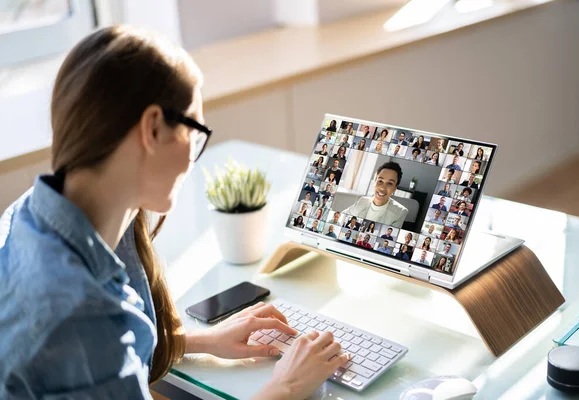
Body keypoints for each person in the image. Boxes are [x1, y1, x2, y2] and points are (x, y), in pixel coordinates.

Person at [0, 26, 350, 400]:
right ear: (152, 128)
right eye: (195, 132)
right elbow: (91, 347)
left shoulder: (28, 217)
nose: (192, 156)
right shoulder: (84, 316)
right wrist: (288, 386)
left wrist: (197, 341)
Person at [341, 162, 408, 227]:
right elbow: (341, 217)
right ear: (374, 182)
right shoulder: (362, 201)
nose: (382, 188)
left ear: (395, 188)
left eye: (390, 183)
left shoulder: (401, 212)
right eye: (380, 181)